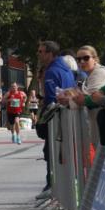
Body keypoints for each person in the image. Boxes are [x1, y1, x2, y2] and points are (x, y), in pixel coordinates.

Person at [35, 40, 76, 199]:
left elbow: (52, 98)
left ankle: (52, 185)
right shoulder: (66, 69)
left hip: (57, 118)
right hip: (67, 116)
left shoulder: (52, 71)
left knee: (51, 151)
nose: (38, 54)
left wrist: (43, 119)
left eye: (41, 51)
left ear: (50, 54)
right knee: (60, 151)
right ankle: (60, 186)